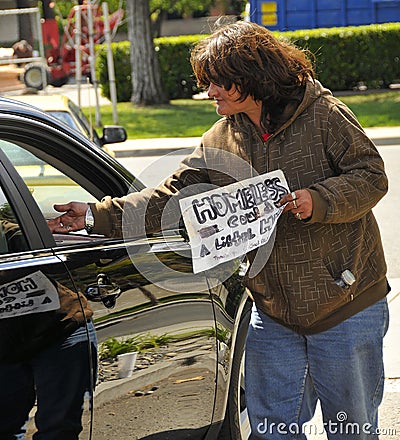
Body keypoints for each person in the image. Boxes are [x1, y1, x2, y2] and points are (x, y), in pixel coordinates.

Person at [47, 20, 390, 439]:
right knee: (270, 431)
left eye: (218, 84)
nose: (209, 92)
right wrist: (93, 216)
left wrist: (316, 200)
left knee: (351, 430)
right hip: (274, 313)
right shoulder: (221, 137)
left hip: (346, 305)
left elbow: (372, 176)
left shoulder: (324, 115)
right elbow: (170, 197)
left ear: (253, 78)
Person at [0, 219, 97, 439]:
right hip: (7, 344)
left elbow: (20, 236)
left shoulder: (6, 233)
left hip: (60, 331)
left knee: (57, 429)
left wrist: (38, 232)